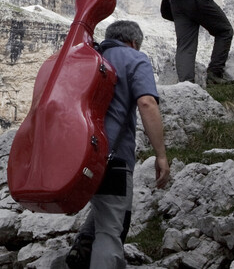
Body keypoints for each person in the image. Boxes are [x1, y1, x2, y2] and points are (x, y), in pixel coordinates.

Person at [66, 20, 170, 269]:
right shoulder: (135, 58)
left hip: (73, 155)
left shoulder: (87, 57)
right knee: (112, 228)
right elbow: (147, 103)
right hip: (112, 158)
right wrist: (161, 155)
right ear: (134, 43)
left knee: (104, 209)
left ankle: (82, 247)